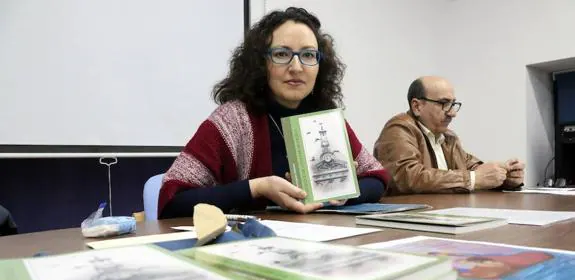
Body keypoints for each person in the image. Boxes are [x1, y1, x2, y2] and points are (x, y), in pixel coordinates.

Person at [158, 7, 390, 219]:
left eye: (308, 55)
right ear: (261, 63)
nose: (297, 67)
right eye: (281, 54)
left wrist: (346, 194)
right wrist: (256, 188)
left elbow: (377, 177)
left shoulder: (324, 117)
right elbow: (171, 201)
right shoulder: (232, 120)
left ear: (321, 65)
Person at [373, 76, 525, 194]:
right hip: (410, 221)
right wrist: (473, 179)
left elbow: (473, 167)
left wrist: (504, 176)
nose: (452, 113)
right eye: (444, 103)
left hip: (445, 214)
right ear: (417, 106)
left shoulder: (448, 137)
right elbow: (409, 177)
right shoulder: (399, 129)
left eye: (453, 104)